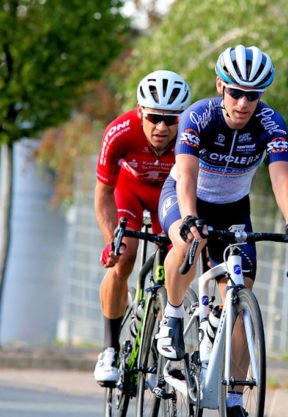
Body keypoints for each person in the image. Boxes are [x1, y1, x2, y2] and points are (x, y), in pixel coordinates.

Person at [155, 45, 288, 417]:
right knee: (187, 239)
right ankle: (173, 317)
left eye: (252, 95)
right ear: (220, 86)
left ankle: (236, 397)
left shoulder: (271, 123)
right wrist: (190, 217)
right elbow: (187, 174)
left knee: (240, 302)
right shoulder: (199, 116)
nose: (243, 103)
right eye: (235, 92)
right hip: (186, 196)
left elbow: (281, 175)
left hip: (234, 207)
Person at [93, 70, 191, 385]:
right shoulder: (119, 132)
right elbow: (103, 194)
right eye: (154, 117)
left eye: (171, 119)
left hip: (168, 196)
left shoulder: (192, 135)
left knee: (177, 256)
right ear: (140, 112)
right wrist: (113, 242)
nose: (162, 127)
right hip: (129, 193)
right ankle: (109, 348)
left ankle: (162, 346)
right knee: (124, 258)